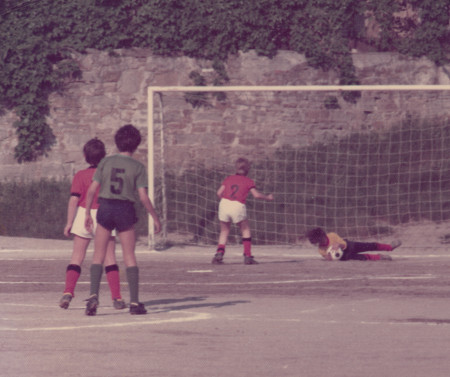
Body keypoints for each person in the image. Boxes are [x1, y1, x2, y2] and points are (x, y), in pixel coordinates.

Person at [84, 124, 161, 316]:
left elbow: (92, 189)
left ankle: (93, 296)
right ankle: (134, 303)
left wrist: (87, 213)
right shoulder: (138, 167)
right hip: (124, 209)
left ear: (117, 142)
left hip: (106, 207)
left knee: (98, 255)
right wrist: (154, 216)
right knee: (129, 256)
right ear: (136, 145)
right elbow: (143, 197)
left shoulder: (105, 162)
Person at [59, 138, 126, 310]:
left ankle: (68, 292)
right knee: (109, 257)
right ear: (104, 156)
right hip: (104, 215)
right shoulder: (108, 174)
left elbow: (73, 200)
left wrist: (69, 223)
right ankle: (117, 297)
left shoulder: (80, 175)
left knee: (77, 256)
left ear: (84, 156)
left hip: (83, 214)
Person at [212, 157, 274, 265]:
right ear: (248, 169)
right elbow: (256, 195)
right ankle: (248, 256)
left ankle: (219, 254)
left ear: (236, 168)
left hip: (224, 203)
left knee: (224, 231)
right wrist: (268, 197)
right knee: (245, 230)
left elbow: (218, 193)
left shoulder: (229, 178)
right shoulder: (248, 181)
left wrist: (226, 200)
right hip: (237, 205)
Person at [306, 227, 402, 261]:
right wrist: (329, 257)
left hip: (349, 246)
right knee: (362, 258)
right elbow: (327, 258)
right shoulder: (321, 249)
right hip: (345, 256)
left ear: (323, 235)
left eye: (321, 238)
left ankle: (389, 247)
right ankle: (380, 257)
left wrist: (338, 245)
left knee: (370, 245)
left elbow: (343, 244)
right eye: (318, 241)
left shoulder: (331, 235)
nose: (321, 242)